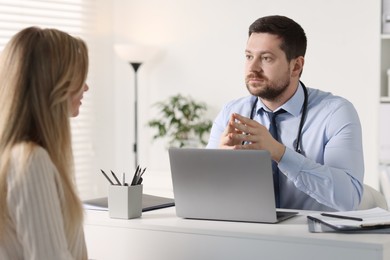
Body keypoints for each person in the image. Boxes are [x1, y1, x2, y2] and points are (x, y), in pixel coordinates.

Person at [207, 15, 364, 212]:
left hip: (313, 238)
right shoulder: (232, 113)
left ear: (296, 66)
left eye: (266, 58)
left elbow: (349, 198)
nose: (253, 68)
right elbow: (207, 196)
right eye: (249, 56)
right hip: (247, 233)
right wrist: (220, 164)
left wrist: (280, 154)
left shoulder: (335, 113)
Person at [0, 27, 89, 259]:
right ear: (55, 85)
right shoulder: (31, 161)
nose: (85, 87)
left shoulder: (21, 157)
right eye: (79, 78)